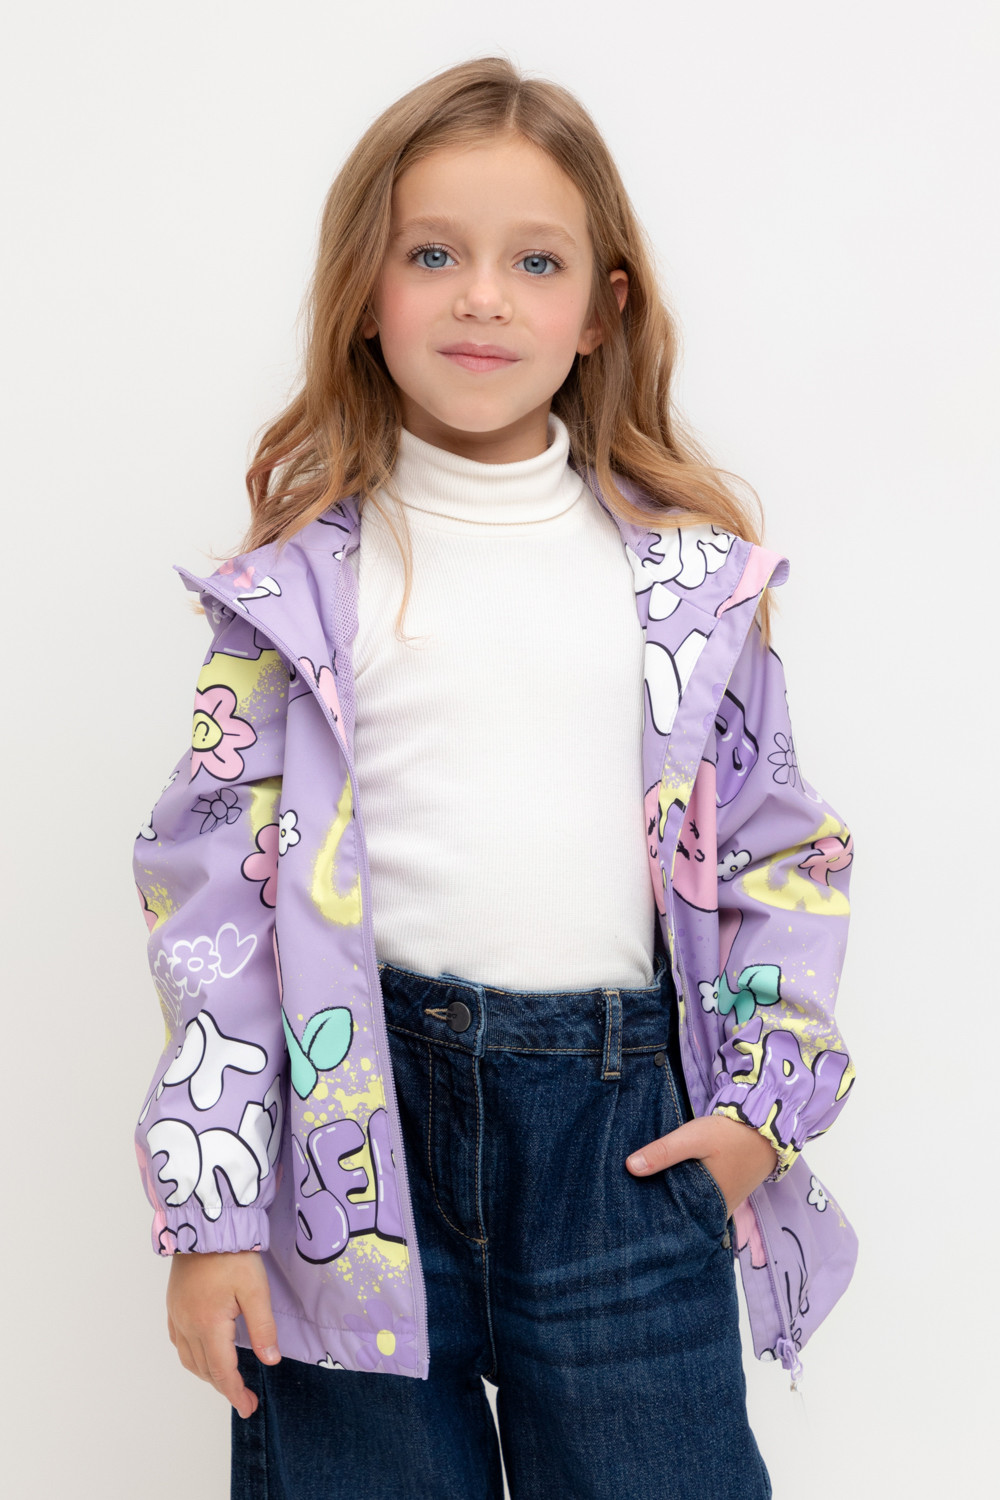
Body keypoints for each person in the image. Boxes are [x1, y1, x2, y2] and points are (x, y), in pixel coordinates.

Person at [132, 55, 857, 1500]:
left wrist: (757, 1115)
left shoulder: (692, 588)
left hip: (620, 1135)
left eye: (536, 262)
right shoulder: (292, 593)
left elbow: (782, 852)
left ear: (602, 310)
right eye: (432, 255)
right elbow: (210, 900)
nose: (482, 298)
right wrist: (213, 1214)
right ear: (367, 290)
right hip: (352, 1137)